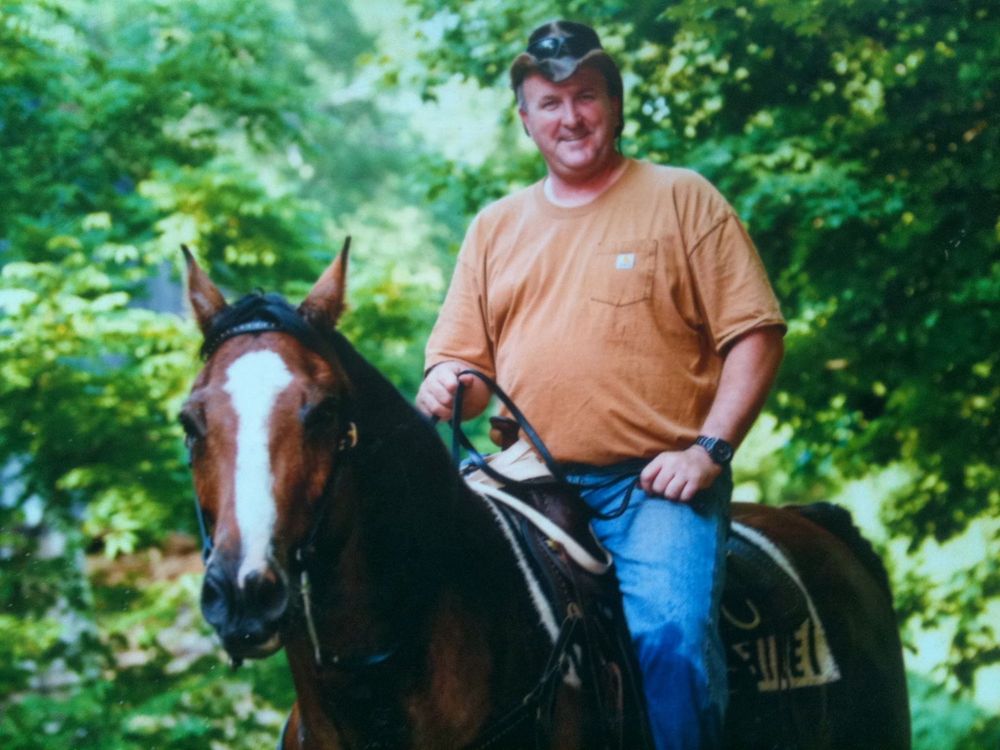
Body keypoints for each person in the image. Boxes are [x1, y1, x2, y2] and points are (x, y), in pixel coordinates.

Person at [416, 19, 785, 750]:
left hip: (653, 485)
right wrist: (447, 385)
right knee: (426, 605)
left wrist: (707, 451)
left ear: (614, 104)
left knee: (670, 641)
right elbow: (464, 369)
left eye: (585, 96)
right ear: (525, 120)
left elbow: (756, 334)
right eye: (549, 102)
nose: (570, 117)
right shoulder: (495, 227)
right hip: (520, 477)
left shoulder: (683, 199)